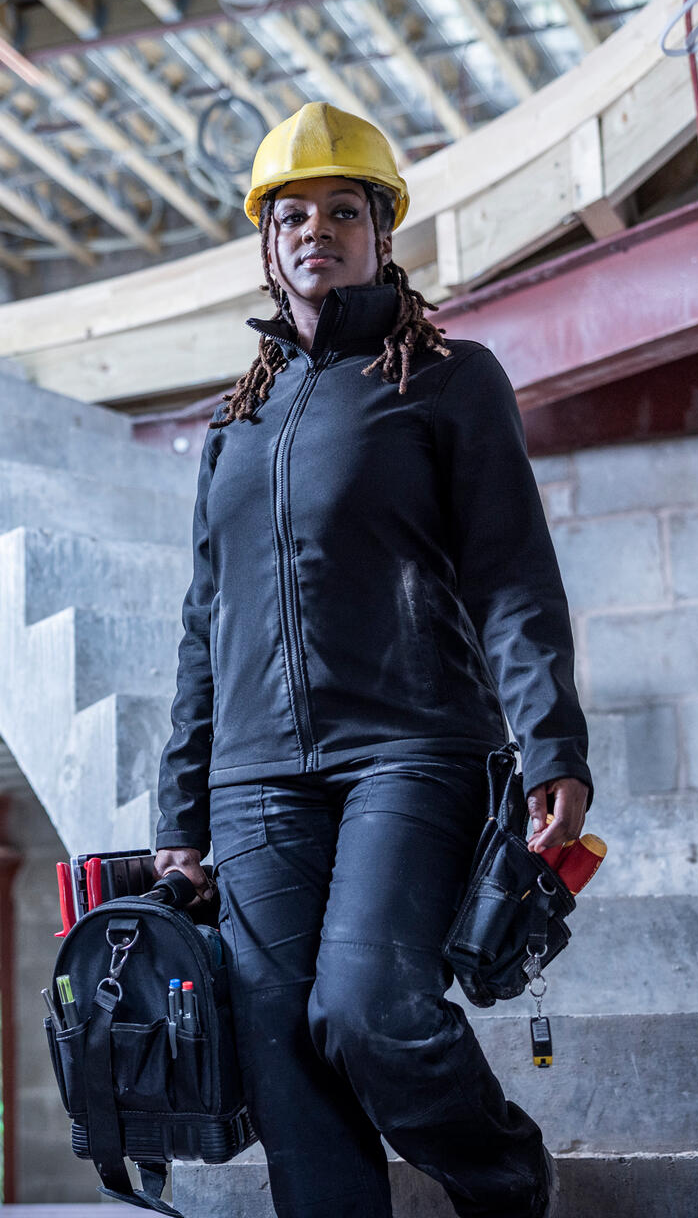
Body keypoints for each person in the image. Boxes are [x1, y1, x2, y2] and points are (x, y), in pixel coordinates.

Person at [153, 102, 591, 1218]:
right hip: (256, 780)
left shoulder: (449, 377)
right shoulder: (235, 423)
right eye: (292, 214)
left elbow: (510, 572)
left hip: (412, 750)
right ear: (267, 243)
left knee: (366, 1009)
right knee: (283, 1053)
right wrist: (180, 810)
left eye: (342, 210)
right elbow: (205, 621)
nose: (317, 231)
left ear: (382, 232)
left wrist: (551, 741)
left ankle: (505, 1181)